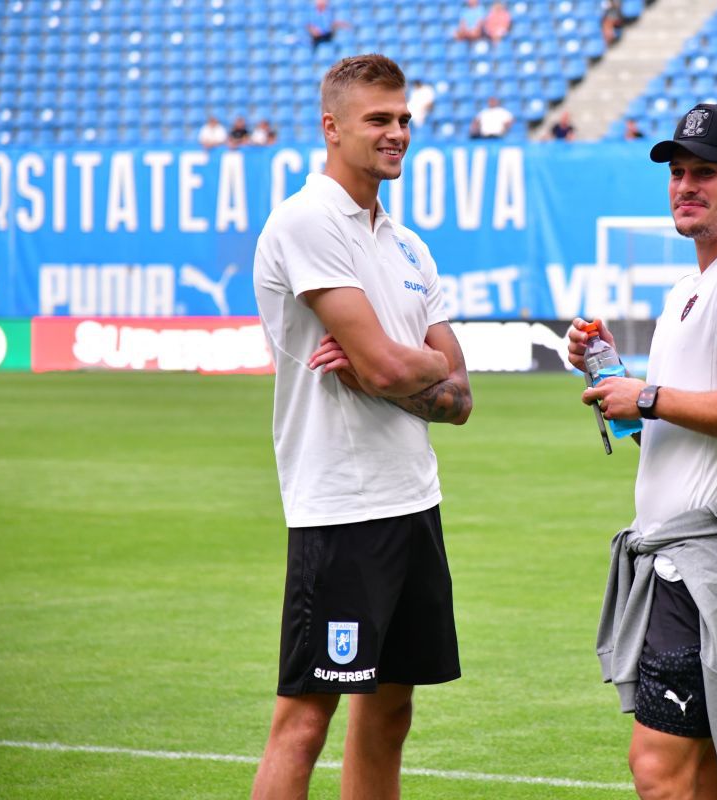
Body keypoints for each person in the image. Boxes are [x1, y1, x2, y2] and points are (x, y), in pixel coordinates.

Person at [568, 103, 717, 800]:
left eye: (706, 171)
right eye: (677, 172)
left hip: (702, 563)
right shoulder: (689, 288)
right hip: (677, 561)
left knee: (660, 770)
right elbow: (671, 430)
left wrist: (646, 396)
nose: (686, 185)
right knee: (707, 775)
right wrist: (610, 375)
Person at [250, 52, 472, 800]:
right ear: (332, 126)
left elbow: (461, 393)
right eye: (379, 119)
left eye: (405, 119)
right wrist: (413, 367)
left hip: (414, 500)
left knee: (391, 710)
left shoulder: (407, 244)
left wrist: (399, 365)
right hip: (339, 508)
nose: (398, 132)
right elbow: (387, 369)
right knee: (305, 719)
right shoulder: (307, 221)